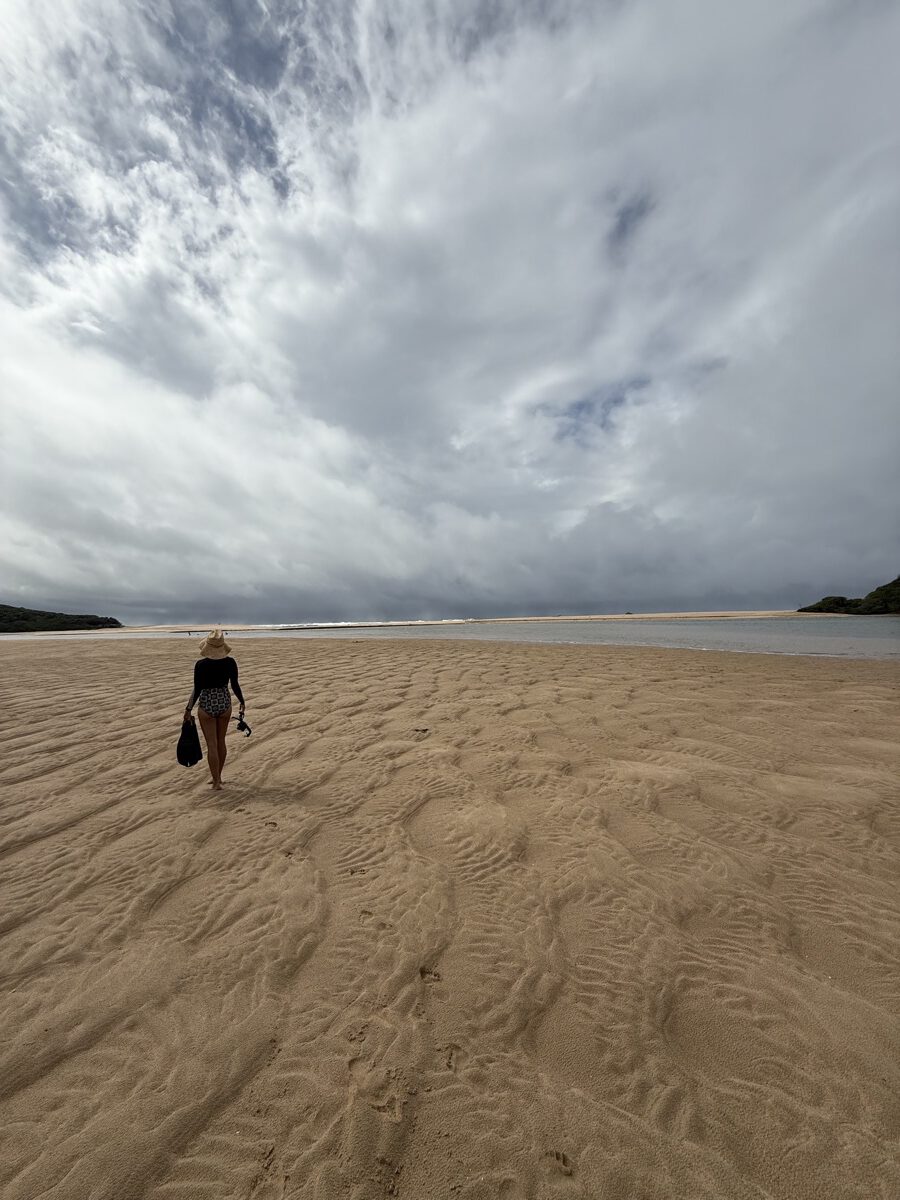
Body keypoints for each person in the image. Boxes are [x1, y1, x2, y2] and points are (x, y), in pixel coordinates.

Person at [183, 628, 245, 790]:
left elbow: (196, 689)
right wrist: (242, 701)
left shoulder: (201, 665)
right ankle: (219, 777)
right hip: (224, 702)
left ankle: (216, 780)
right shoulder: (230, 662)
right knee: (221, 742)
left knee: (212, 744)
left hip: (207, 703)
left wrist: (188, 709)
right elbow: (235, 685)